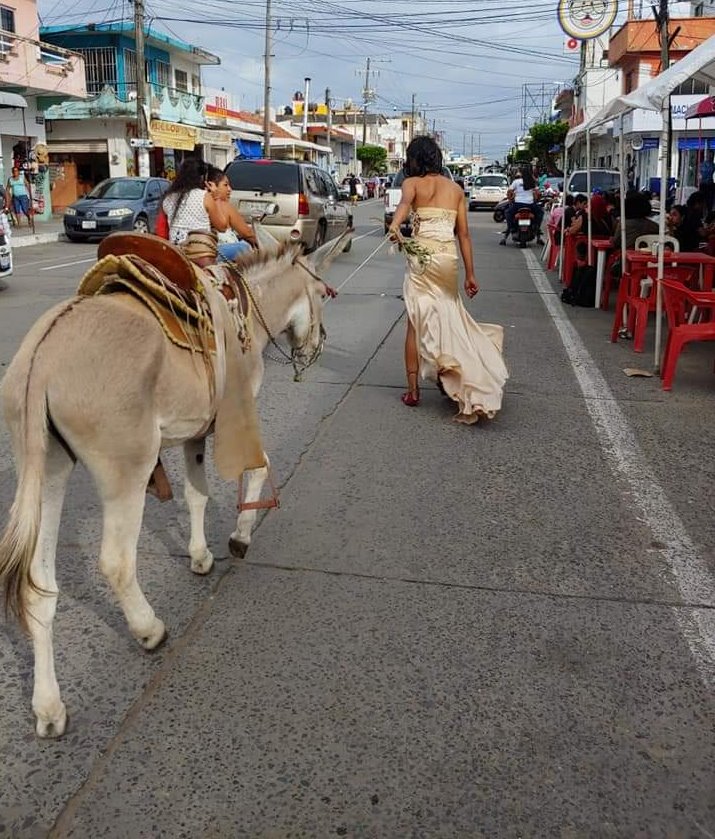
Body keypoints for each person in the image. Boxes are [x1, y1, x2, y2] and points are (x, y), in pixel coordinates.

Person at [387, 135, 508, 424]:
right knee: (448, 314)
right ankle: (454, 372)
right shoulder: (455, 189)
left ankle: (413, 390)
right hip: (447, 259)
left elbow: (403, 207)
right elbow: (463, 234)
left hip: (421, 259)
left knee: (415, 321)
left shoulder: (412, 184)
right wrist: (471, 274)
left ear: (415, 158)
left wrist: (394, 225)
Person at [161, 158, 225, 246]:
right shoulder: (204, 196)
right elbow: (222, 227)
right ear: (202, 178)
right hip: (201, 252)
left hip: (177, 252)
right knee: (243, 246)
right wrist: (217, 197)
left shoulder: (168, 198)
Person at [205, 166, 257, 260]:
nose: (229, 189)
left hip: (204, 251)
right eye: (225, 185)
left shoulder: (199, 202)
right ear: (212, 186)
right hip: (220, 254)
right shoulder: (223, 205)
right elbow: (247, 233)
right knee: (245, 247)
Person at [501, 167, 544, 246]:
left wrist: (510, 199)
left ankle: (512, 227)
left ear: (521, 173)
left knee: (507, 213)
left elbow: (509, 191)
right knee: (540, 213)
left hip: (518, 205)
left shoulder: (516, 182)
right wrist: (537, 199)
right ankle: (537, 227)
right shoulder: (532, 181)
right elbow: (538, 193)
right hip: (530, 205)